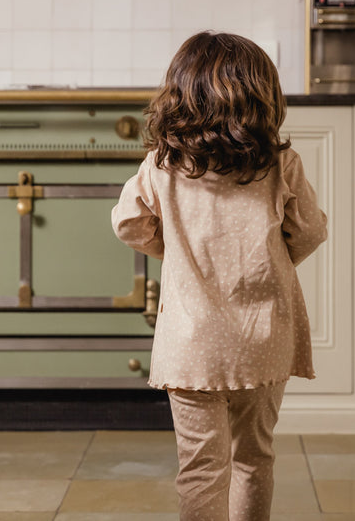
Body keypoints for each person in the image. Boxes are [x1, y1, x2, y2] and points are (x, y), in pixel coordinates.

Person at [111, 31, 328, 521]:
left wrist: (173, 253)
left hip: (190, 344)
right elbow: (310, 231)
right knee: (254, 458)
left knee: (200, 468)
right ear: (262, 98)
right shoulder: (279, 164)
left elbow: (127, 222)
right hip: (264, 337)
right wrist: (275, 258)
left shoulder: (162, 166)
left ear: (179, 97)